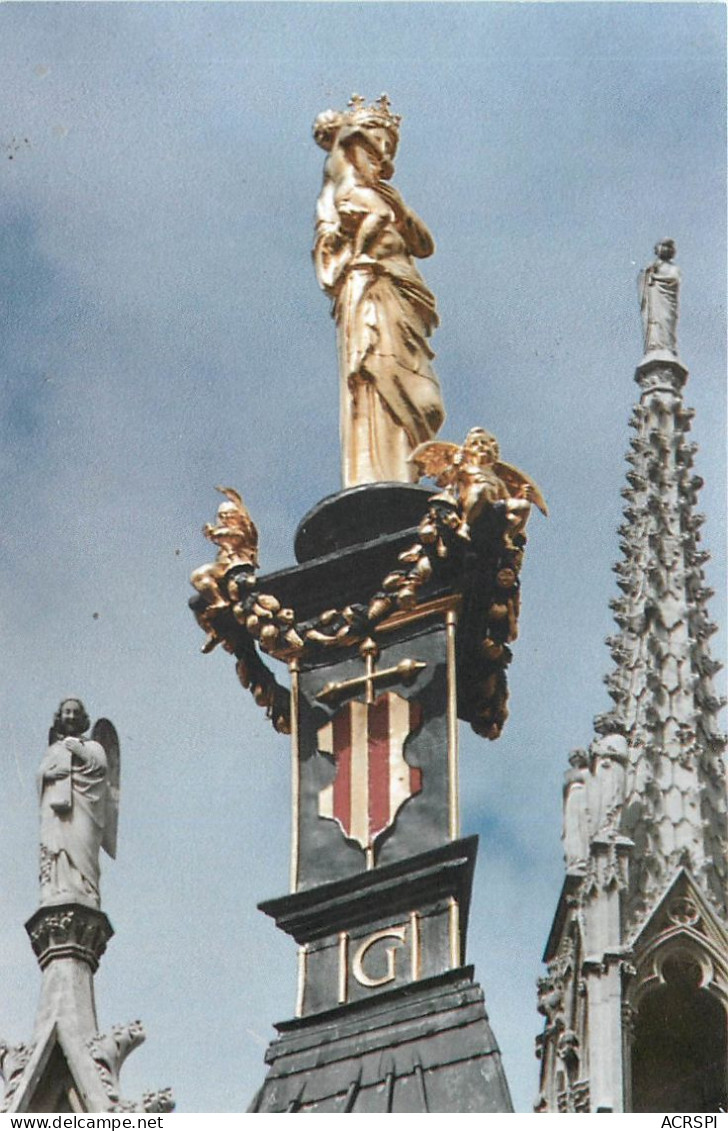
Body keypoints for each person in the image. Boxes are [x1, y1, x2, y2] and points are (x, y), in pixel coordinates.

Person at [313, 95, 444, 486]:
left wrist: (400, 211)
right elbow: (344, 137)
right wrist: (340, 124)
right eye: (378, 142)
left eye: (390, 145)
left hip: (400, 290)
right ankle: (380, 474)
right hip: (370, 288)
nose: (384, 153)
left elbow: (424, 244)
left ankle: (402, 468)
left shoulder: (385, 198)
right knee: (376, 377)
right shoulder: (341, 181)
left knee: (426, 403)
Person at [38, 699, 117, 909]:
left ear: (82, 718)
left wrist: (80, 751)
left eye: (75, 713)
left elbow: (101, 768)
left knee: (83, 851)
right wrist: (50, 774)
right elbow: (41, 776)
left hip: (84, 809)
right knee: (59, 851)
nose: (71, 716)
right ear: (60, 717)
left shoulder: (92, 746)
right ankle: (57, 889)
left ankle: (87, 890)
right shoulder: (54, 749)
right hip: (57, 813)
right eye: (67, 712)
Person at [638, 239, 681, 357]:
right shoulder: (652, 266)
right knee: (654, 320)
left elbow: (674, 280)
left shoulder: (673, 268)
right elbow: (643, 279)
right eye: (663, 246)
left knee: (666, 319)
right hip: (654, 298)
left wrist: (655, 277)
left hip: (666, 299)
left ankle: (667, 346)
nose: (665, 249)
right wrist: (647, 274)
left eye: (668, 247)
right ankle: (655, 344)